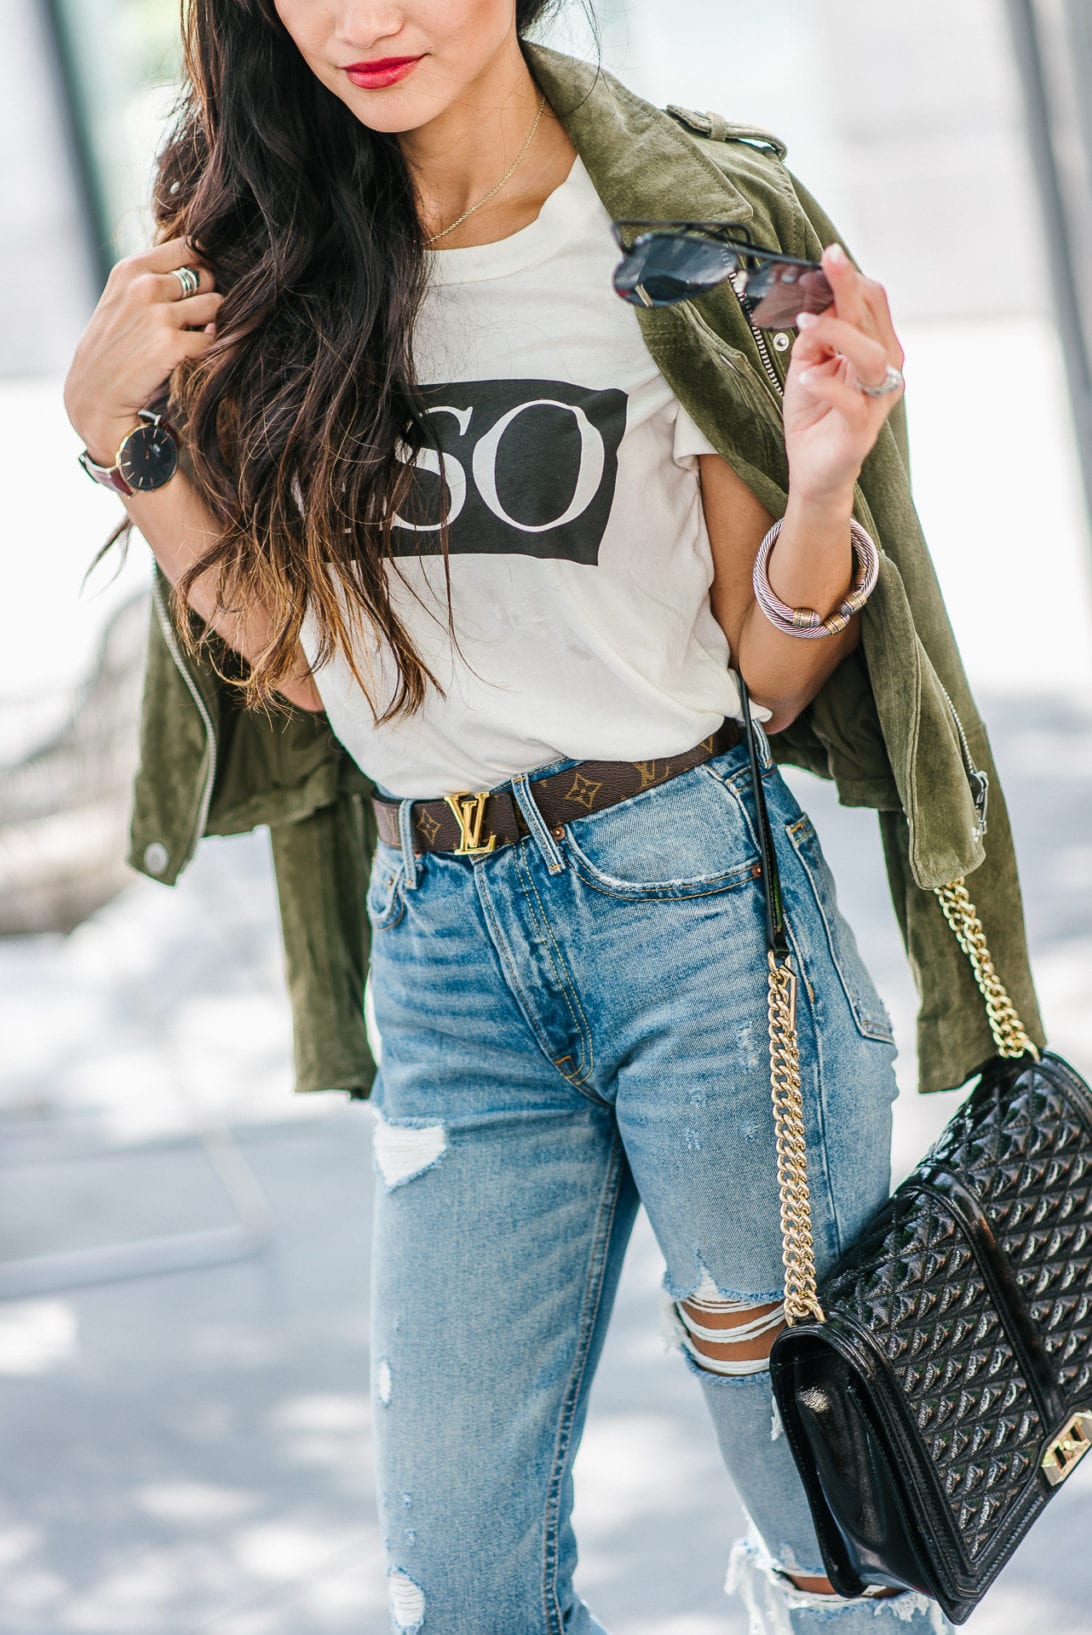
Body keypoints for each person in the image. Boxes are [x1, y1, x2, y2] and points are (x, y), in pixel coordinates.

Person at [64, 2, 1044, 1631]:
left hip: (701, 929)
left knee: (838, 1551)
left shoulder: (682, 233)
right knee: (455, 1583)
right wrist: (132, 445)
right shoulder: (263, 252)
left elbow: (773, 673)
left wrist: (818, 485)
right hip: (444, 954)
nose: (363, 19)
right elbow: (304, 675)